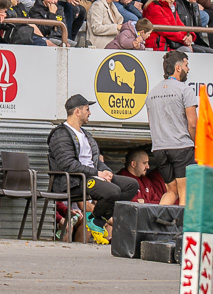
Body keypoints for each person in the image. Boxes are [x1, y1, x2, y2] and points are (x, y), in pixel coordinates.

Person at [48, 96, 136, 241]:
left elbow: (94, 161)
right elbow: (68, 165)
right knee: (113, 191)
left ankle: (97, 220)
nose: (90, 113)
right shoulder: (60, 134)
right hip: (74, 182)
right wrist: (97, 173)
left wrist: (106, 172)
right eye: (87, 109)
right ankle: (96, 219)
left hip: (91, 176)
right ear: (77, 112)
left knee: (131, 185)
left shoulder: (86, 135)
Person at [144, 49, 197, 204]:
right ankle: (183, 229)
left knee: (171, 191)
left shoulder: (152, 93)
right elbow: (192, 123)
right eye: (186, 65)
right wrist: (197, 143)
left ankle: (158, 225)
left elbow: (151, 122)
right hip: (181, 147)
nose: (188, 69)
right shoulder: (185, 90)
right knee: (185, 192)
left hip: (159, 148)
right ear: (178, 68)